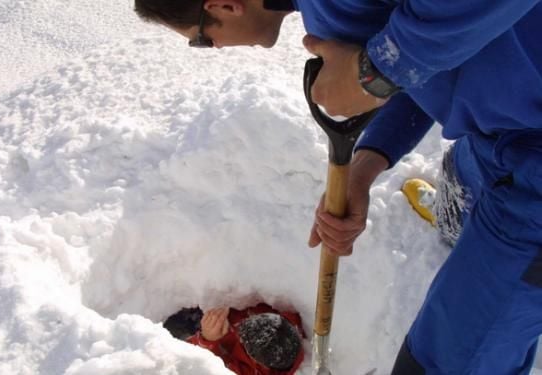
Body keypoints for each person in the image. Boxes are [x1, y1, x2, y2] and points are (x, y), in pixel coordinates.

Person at [134, 1, 542, 373]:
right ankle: (466, 215)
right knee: (470, 170)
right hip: (507, 128)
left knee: (445, 362)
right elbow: (428, 66)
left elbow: (410, 55)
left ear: (224, 6)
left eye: (203, 40)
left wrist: (375, 72)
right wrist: (366, 164)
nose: (216, 48)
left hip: (532, 172)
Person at [163, 303, 305, 374]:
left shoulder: (249, 372)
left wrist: (207, 339)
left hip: (206, 331)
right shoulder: (285, 323)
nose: (242, 324)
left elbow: (206, 363)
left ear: (259, 363)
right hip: (221, 312)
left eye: (243, 341)